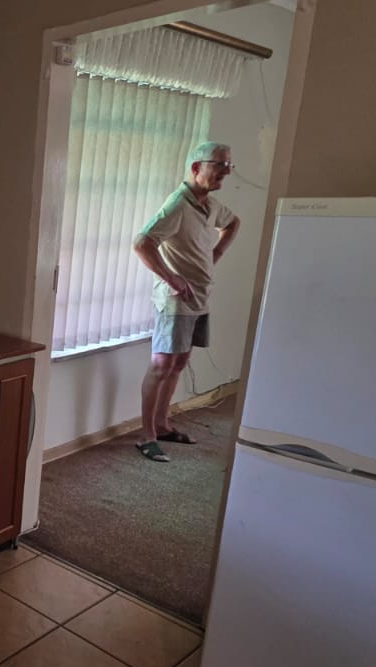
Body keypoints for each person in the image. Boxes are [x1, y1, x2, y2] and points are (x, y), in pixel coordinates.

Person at [131, 141, 240, 463]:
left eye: (228, 166)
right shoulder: (177, 205)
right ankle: (146, 435)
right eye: (219, 165)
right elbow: (142, 243)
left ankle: (163, 425)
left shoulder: (210, 204)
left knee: (179, 363)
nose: (225, 172)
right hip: (176, 302)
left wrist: (216, 253)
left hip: (200, 298)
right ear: (196, 167)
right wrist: (171, 278)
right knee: (161, 365)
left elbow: (233, 223)